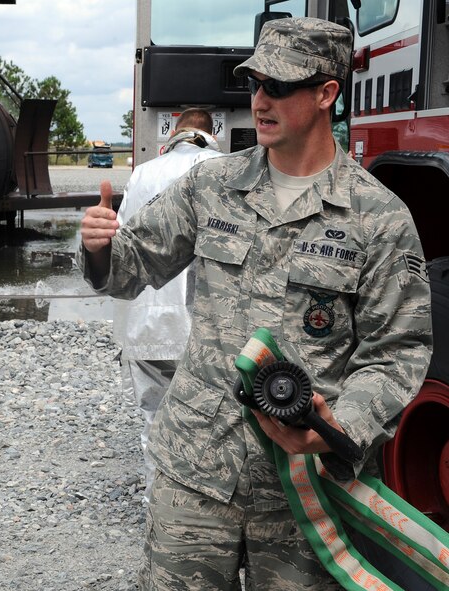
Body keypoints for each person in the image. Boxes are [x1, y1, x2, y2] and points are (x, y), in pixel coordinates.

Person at [79, 17, 432, 590]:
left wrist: (335, 427)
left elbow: (399, 352)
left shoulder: (380, 218)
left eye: (280, 85)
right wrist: (98, 246)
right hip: (195, 476)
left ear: (326, 94)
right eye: (255, 83)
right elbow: (128, 267)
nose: (260, 100)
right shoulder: (211, 186)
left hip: (305, 492)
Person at [112, 108, 222, 501]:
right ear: (212, 133)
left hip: (147, 324)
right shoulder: (226, 171)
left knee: (154, 418)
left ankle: (156, 502)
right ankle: (201, 504)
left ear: (175, 133)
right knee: (210, 423)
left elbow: (122, 247)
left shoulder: (143, 173)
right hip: (208, 327)